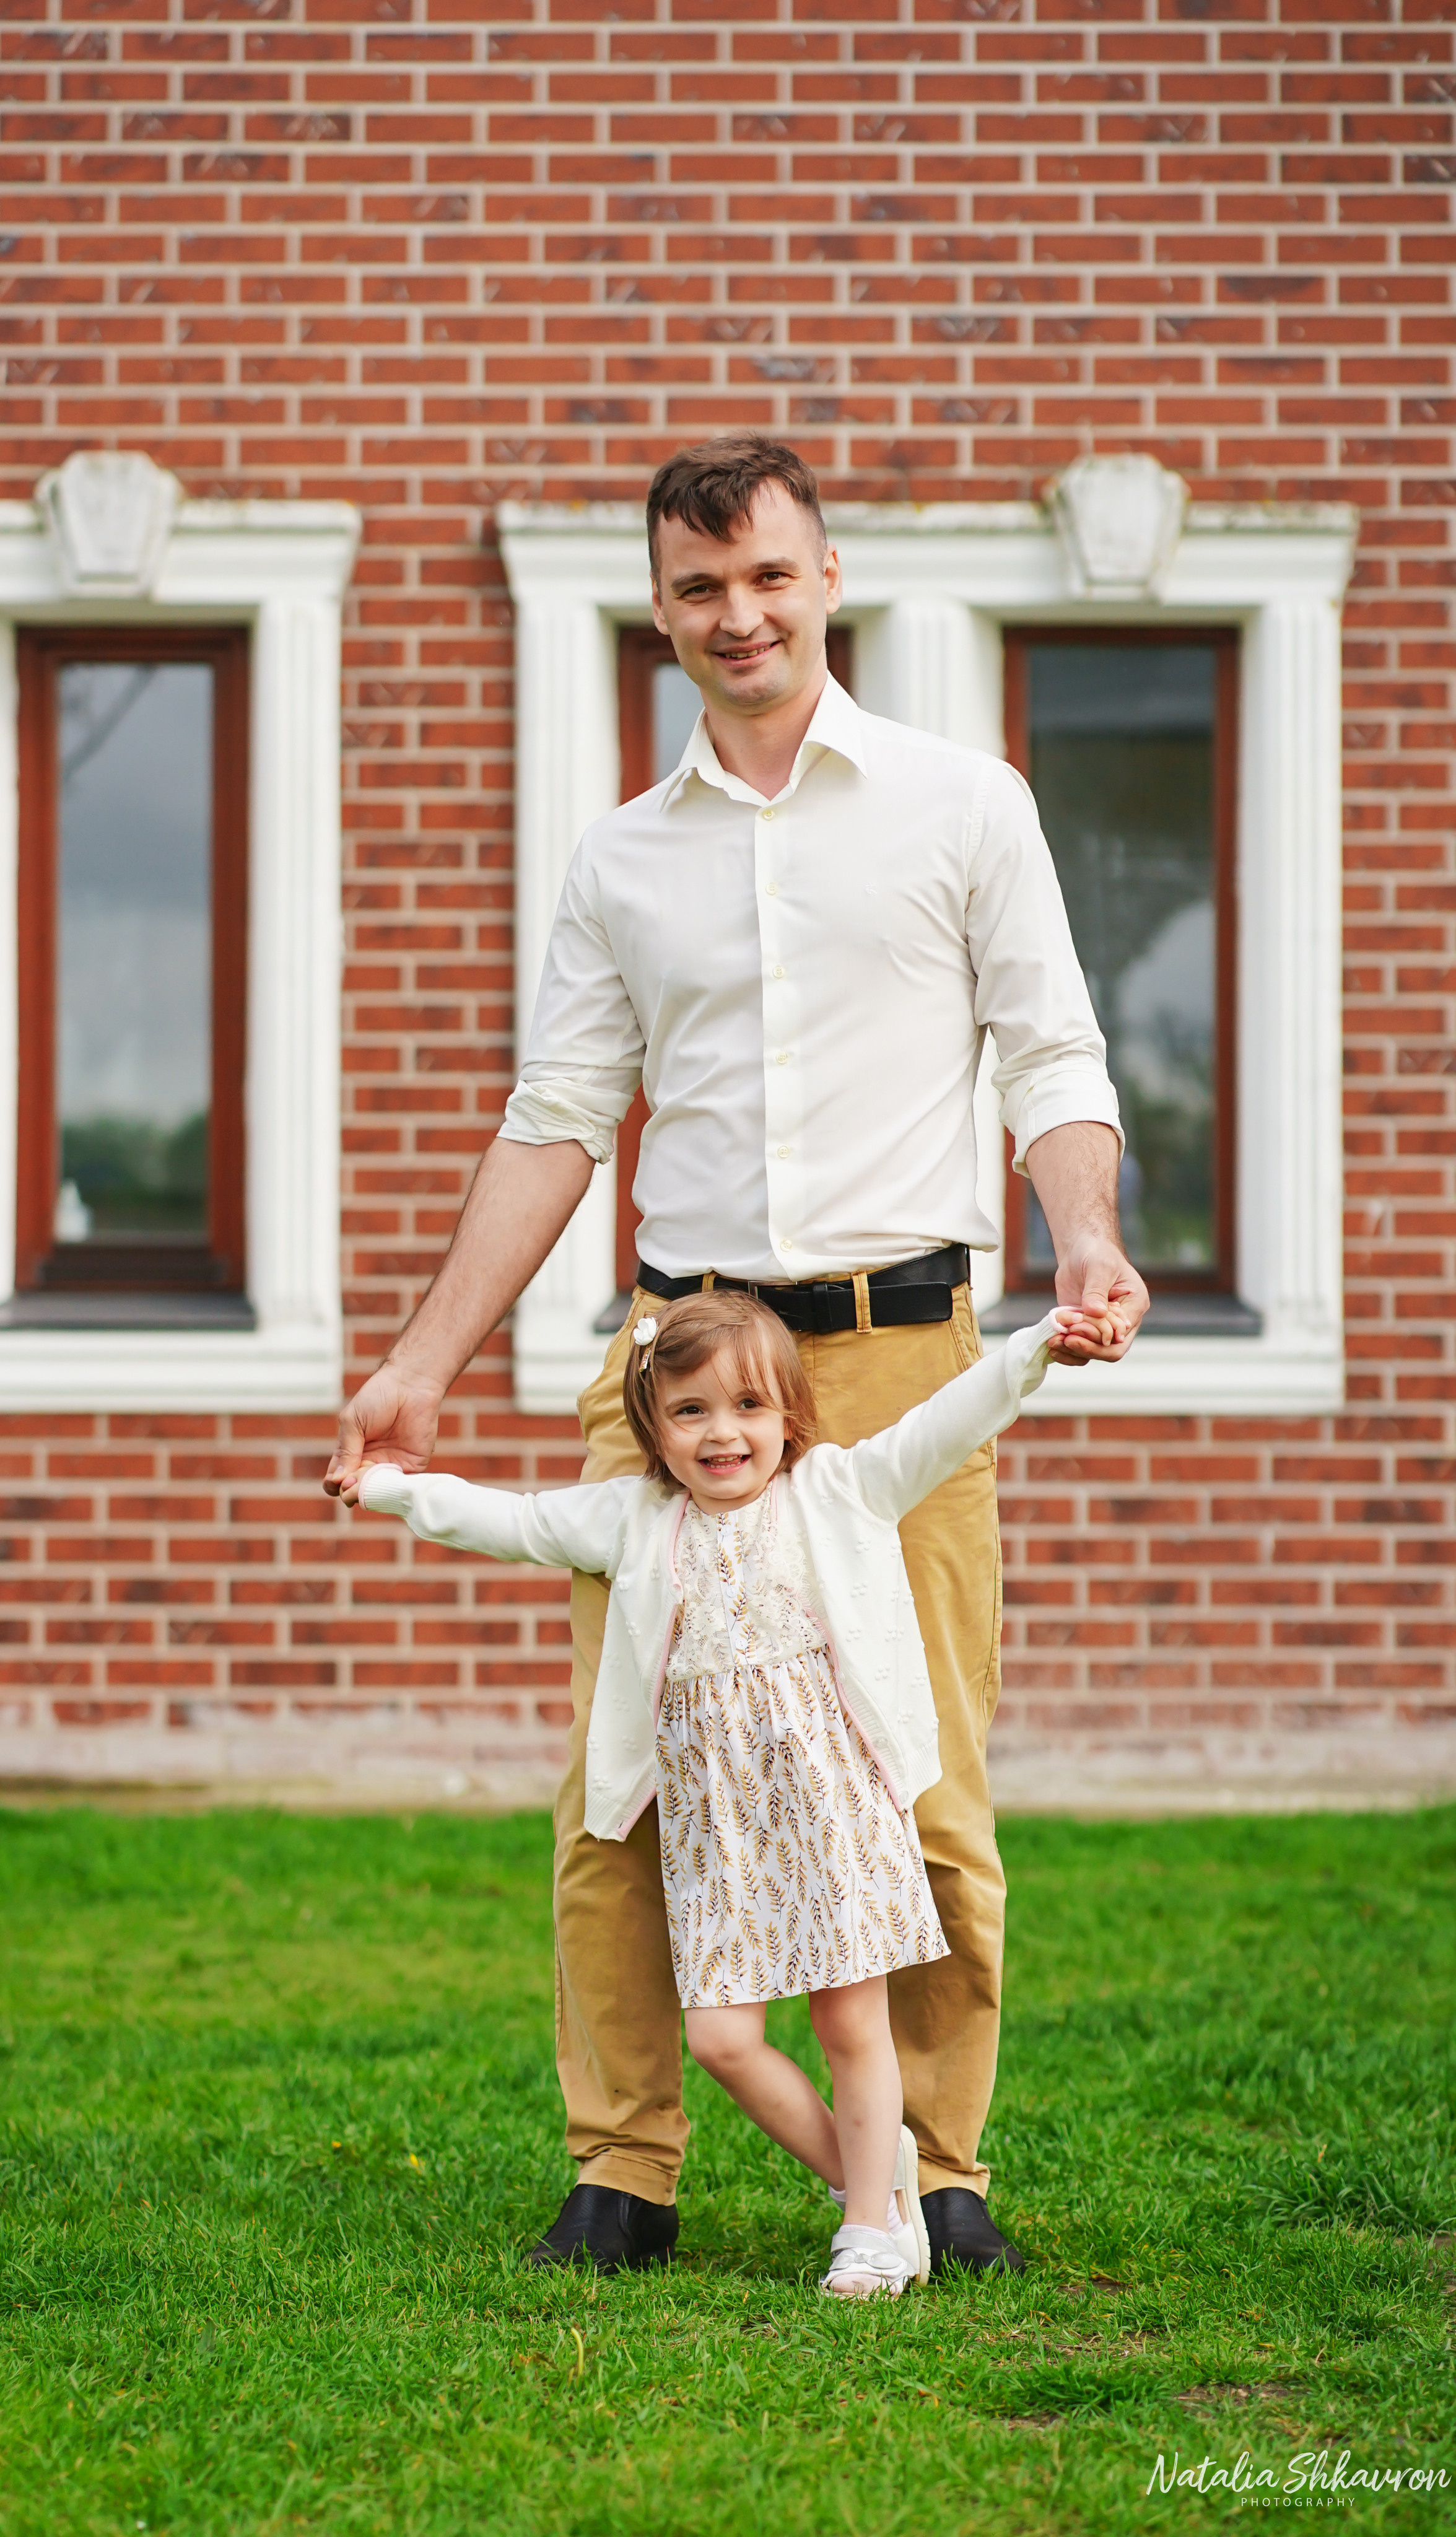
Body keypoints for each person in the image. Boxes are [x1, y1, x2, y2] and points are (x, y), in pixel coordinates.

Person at [325, 431, 1150, 2281]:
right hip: (679, 1366)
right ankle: (625, 2169)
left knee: (921, 1774)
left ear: (826, 577)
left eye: (767, 576)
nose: (738, 615)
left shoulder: (963, 804)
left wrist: (1082, 1235)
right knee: (622, 1777)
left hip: (898, 1356)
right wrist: (420, 1365)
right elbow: (556, 1120)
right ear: (662, 610)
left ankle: (937, 2174)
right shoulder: (623, 858)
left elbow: (1055, 1060)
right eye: (700, 588)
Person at [348, 1288, 1104, 2292]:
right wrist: (397, 1489)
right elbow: (519, 1521)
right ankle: (873, 2183)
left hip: (833, 1811)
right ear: (653, 1431)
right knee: (722, 2039)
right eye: (691, 1412)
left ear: (790, 1417)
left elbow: (947, 1421)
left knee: (850, 2026)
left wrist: (1036, 1349)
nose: (722, 1434)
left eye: (748, 1408)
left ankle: (872, 2236)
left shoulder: (839, 1491)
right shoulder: (635, 1520)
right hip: (723, 1835)